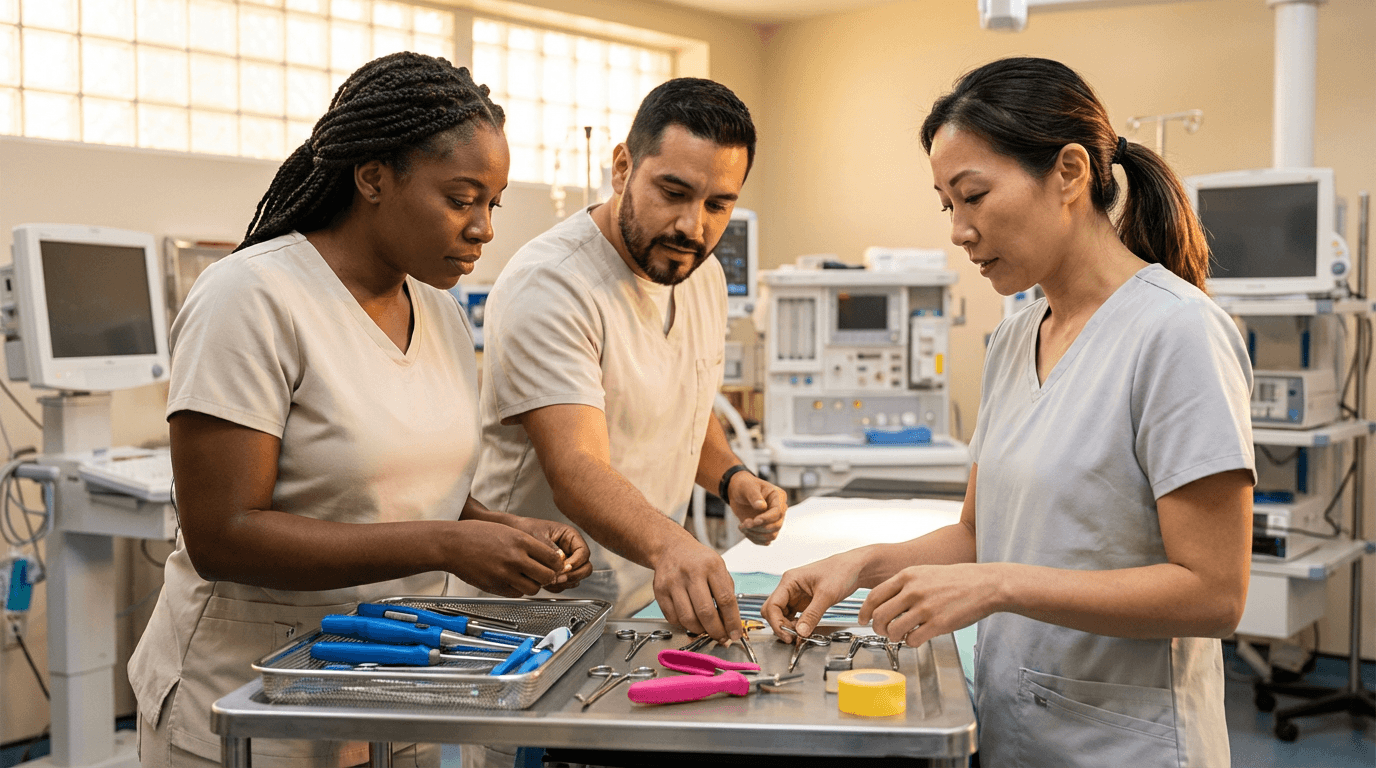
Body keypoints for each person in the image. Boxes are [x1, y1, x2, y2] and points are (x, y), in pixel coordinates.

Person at [762, 57, 1254, 767]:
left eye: (975, 195)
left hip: (1126, 744)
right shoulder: (1018, 335)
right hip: (1013, 729)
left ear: (1070, 172)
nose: (960, 230)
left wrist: (997, 586)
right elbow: (980, 532)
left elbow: (1213, 593)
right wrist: (859, 563)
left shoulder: (1177, 334)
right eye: (947, 206)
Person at [127, 52, 591, 768]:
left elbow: (403, 484)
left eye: (492, 204)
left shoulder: (438, 311)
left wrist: (504, 531)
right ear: (373, 177)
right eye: (461, 198)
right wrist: (444, 545)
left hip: (392, 680)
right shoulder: (251, 299)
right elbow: (224, 533)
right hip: (248, 698)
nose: (484, 229)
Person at [470, 78, 786, 645]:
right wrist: (673, 544)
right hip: (536, 617)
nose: (694, 227)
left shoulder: (700, 275)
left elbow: (682, 402)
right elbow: (575, 469)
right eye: (673, 192)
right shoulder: (553, 284)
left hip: (644, 607)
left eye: (719, 205)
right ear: (622, 168)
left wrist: (731, 476)